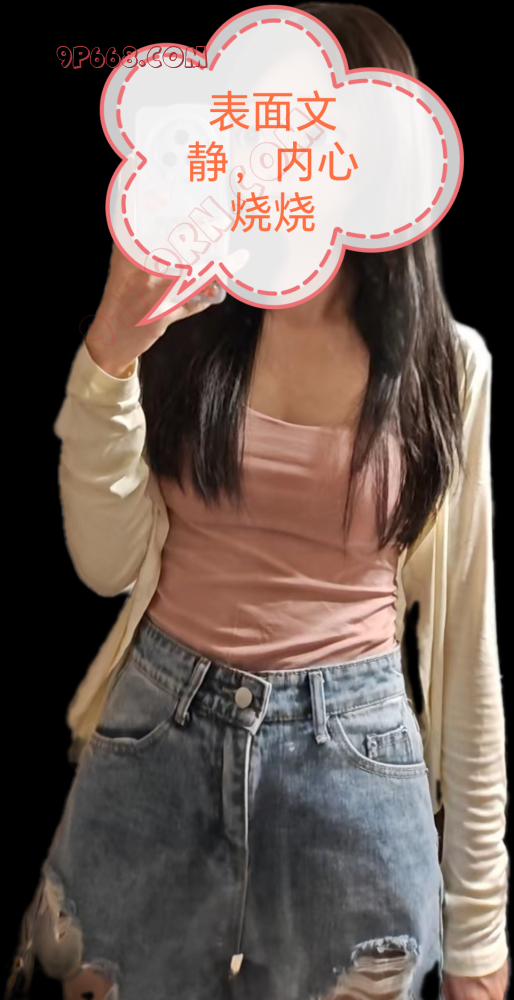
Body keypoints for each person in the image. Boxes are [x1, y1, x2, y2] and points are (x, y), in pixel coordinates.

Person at [5, 5, 509, 1000]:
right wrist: (109, 355)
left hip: (356, 758)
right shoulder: (182, 323)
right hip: (155, 730)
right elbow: (105, 564)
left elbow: (466, 650)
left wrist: (480, 929)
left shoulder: (449, 368)